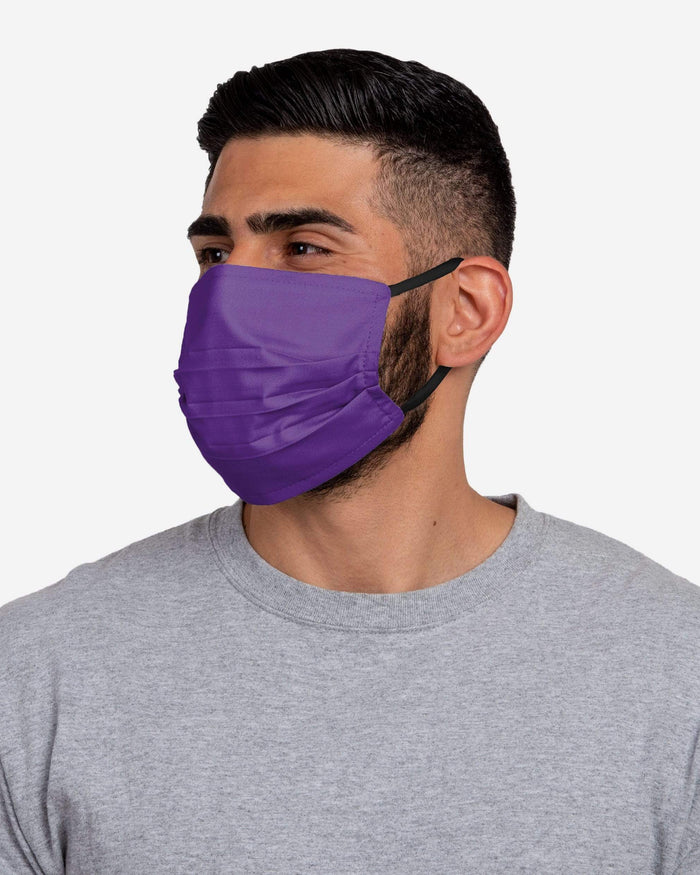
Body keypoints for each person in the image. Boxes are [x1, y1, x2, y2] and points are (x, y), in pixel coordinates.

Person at [1, 48, 698, 874]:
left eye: (303, 248)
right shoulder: (36, 678)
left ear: (465, 311)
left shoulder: (673, 672)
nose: (229, 303)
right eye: (216, 255)